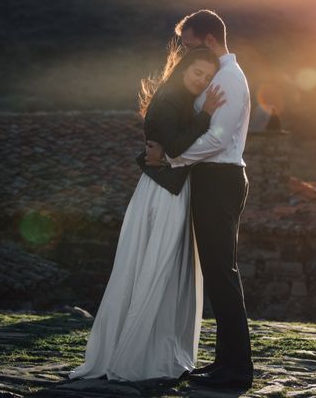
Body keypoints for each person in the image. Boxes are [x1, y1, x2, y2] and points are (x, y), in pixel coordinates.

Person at [68, 46, 226, 381]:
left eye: (209, 77)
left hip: (172, 190)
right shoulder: (168, 99)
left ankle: (158, 351)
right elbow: (175, 145)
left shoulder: (180, 99)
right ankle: (136, 355)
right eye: (198, 72)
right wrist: (207, 114)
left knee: (166, 270)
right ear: (184, 68)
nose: (202, 80)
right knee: (155, 265)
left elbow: (168, 150)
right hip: (163, 193)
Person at [146, 9, 253, 389]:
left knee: (223, 274)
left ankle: (237, 370)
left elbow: (218, 139)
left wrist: (174, 158)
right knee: (217, 272)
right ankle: (224, 362)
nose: (187, 53)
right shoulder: (220, 75)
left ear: (208, 39)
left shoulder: (229, 79)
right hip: (211, 179)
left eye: (190, 44)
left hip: (219, 179)